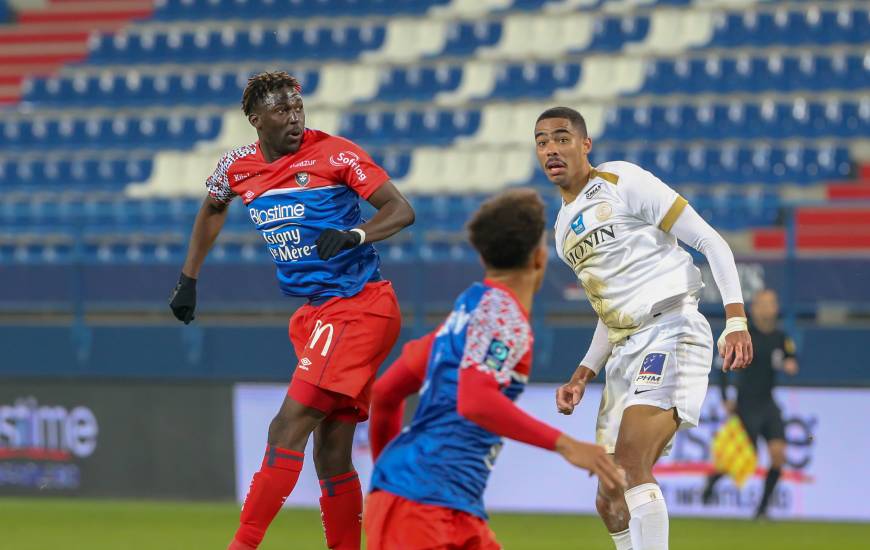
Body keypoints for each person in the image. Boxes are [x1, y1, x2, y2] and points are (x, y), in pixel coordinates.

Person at [167, 71, 414, 550]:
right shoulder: (236, 167)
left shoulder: (335, 153)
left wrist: (357, 233)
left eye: (298, 109)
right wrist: (189, 277)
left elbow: (400, 209)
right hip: (320, 313)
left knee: (287, 425)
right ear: (256, 120)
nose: (295, 119)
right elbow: (214, 207)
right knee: (333, 453)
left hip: (358, 308)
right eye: (282, 111)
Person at [535, 106, 753, 550]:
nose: (551, 149)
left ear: (585, 144)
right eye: (542, 142)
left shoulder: (622, 181)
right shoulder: (560, 230)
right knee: (610, 492)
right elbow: (609, 309)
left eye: (561, 137)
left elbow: (711, 241)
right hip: (624, 348)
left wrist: (736, 319)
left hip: (672, 327)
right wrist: (583, 373)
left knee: (633, 461)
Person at [364, 188, 624, 550]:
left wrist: (388, 473)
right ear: (539, 258)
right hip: (421, 511)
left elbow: (386, 392)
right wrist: (566, 445)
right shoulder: (504, 317)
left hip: (446, 506)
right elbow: (475, 400)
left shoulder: (469, 310)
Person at [702, 288, 798, 519]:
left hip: (768, 403)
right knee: (745, 459)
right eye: (763, 303)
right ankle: (713, 479)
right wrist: (726, 397)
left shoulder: (781, 338)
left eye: (772, 302)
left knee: (778, 454)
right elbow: (721, 366)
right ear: (753, 308)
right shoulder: (744, 335)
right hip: (746, 404)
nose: (768, 307)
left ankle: (762, 509)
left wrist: (790, 364)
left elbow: (790, 358)